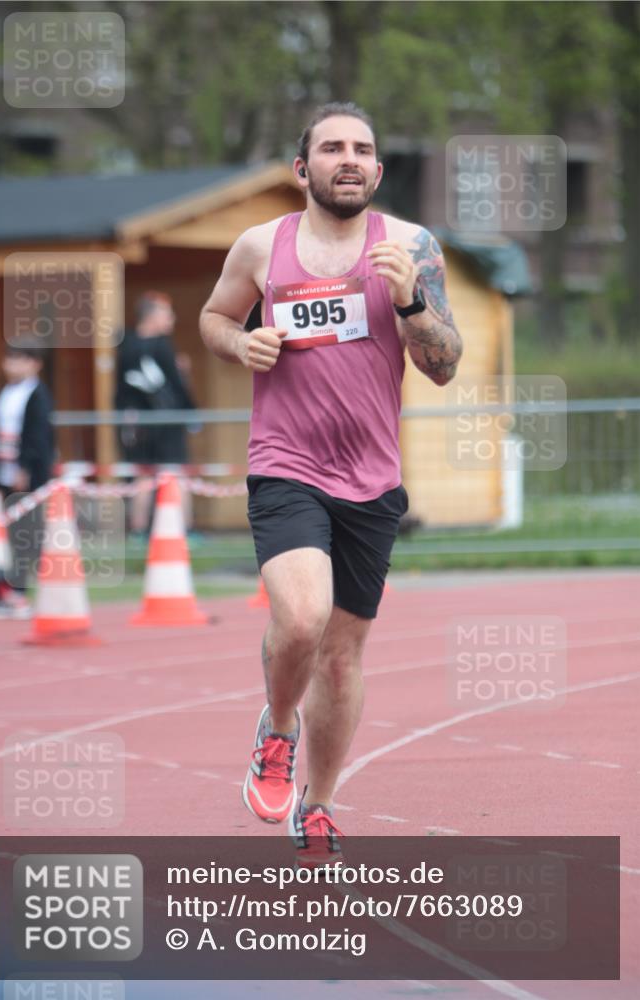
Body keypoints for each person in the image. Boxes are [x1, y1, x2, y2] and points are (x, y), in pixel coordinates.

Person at [199, 102, 462, 865]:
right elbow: (215, 318)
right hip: (286, 464)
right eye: (332, 148)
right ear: (302, 167)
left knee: (343, 659)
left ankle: (318, 805)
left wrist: (411, 298)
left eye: (363, 150)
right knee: (304, 618)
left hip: (372, 480)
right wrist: (240, 341)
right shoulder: (260, 246)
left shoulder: (410, 247)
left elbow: (443, 367)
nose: (348, 159)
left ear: (376, 171)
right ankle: (277, 729)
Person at [115, 292, 196, 534]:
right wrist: (192, 411)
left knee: (142, 475)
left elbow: (120, 391)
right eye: (167, 313)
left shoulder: (125, 346)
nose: (172, 319)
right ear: (152, 315)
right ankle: (185, 530)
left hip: (136, 423)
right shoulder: (162, 345)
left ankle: (139, 530)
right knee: (175, 473)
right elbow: (176, 386)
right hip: (167, 421)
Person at [0, 340, 54, 619]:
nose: (11, 365)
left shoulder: (37, 394)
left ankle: (20, 594)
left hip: (26, 475)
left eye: (19, 359)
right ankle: (14, 591)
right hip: (5, 471)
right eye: (9, 358)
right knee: (13, 535)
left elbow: (38, 437)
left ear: (34, 363)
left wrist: (25, 468)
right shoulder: (6, 392)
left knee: (26, 534)